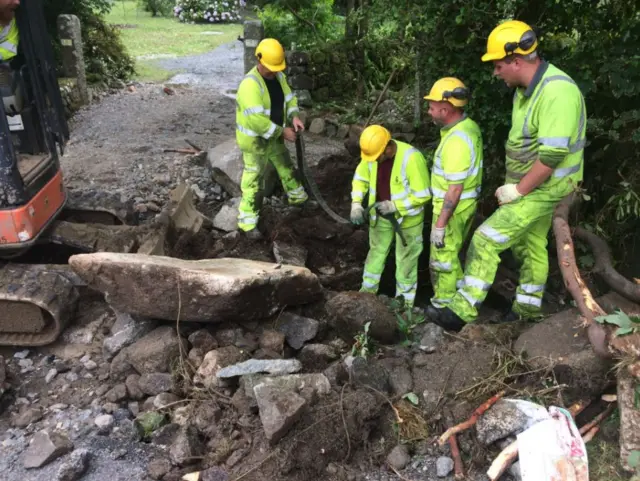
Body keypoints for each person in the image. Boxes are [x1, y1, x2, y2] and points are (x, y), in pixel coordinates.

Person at [428, 19, 587, 331]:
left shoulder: (557, 93)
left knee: (485, 240)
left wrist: (518, 190)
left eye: (498, 65)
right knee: (530, 245)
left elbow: (552, 157)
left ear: (516, 61)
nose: (495, 72)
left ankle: (460, 312)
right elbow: (525, 146)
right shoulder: (526, 91)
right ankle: (526, 309)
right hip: (532, 185)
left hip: (547, 187)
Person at [350, 125, 431, 308]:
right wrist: (356, 203)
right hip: (380, 216)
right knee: (375, 255)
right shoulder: (372, 155)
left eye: (377, 157)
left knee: (406, 262)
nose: (374, 161)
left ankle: (404, 305)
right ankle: (366, 295)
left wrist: (396, 206)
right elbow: (360, 179)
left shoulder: (411, 158)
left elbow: (424, 194)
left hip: (408, 221)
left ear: (387, 148)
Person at [235, 37, 308, 239]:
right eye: (270, 67)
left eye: (277, 67)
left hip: (273, 137)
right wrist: (282, 132)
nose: (274, 70)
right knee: (254, 180)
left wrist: (294, 116)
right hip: (255, 143)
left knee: (286, 166)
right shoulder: (250, 86)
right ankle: (247, 223)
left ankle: (298, 199)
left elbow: (289, 98)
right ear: (259, 60)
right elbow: (256, 121)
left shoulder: (279, 77)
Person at [422, 77, 483, 314]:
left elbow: (454, 188)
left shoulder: (457, 140)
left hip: (453, 209)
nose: (429, 111)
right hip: (465, 206)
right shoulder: (467, 127)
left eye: (432, 106)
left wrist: (440, 224)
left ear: (445, 109)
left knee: (443, 258)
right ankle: (458, 295)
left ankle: (444, 305)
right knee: (453, 254)